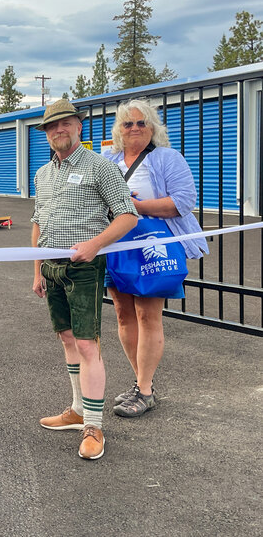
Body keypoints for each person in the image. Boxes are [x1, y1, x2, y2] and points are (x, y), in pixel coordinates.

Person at [30, 99, 138, 460]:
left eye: (65, 123)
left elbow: (127, 216)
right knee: (66, 339)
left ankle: (94, 426)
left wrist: (93, 246)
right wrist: (36, 270)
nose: (58, 130)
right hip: (51, 267)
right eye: (51, 126)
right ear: (45, 133)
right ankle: (77, 410)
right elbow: (38, 222)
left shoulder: (100, 168)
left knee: (87, 343)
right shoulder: (42, 174)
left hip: (85, 268)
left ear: (79, 126)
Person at [102, 100, 208, 417]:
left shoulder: (166, 158)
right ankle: (141, 384)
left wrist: (137, 207)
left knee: (149, 315)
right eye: (127, 124)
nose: (134, 128)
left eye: (141, 123)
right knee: (123, 314)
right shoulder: (108, 160)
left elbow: (184, 201)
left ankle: (145, 390)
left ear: (153, 128)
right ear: (118, 130)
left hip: (152, 244)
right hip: (116, 244)